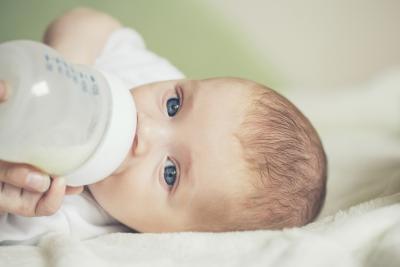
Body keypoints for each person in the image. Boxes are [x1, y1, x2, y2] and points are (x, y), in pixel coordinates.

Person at [0, 7, 327, 245]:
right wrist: (70, 61)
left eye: (170, 173)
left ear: (171, 234)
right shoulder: (147, 74)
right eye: (174, 105)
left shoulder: (63, 216)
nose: (145, 131)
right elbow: (87, 21)